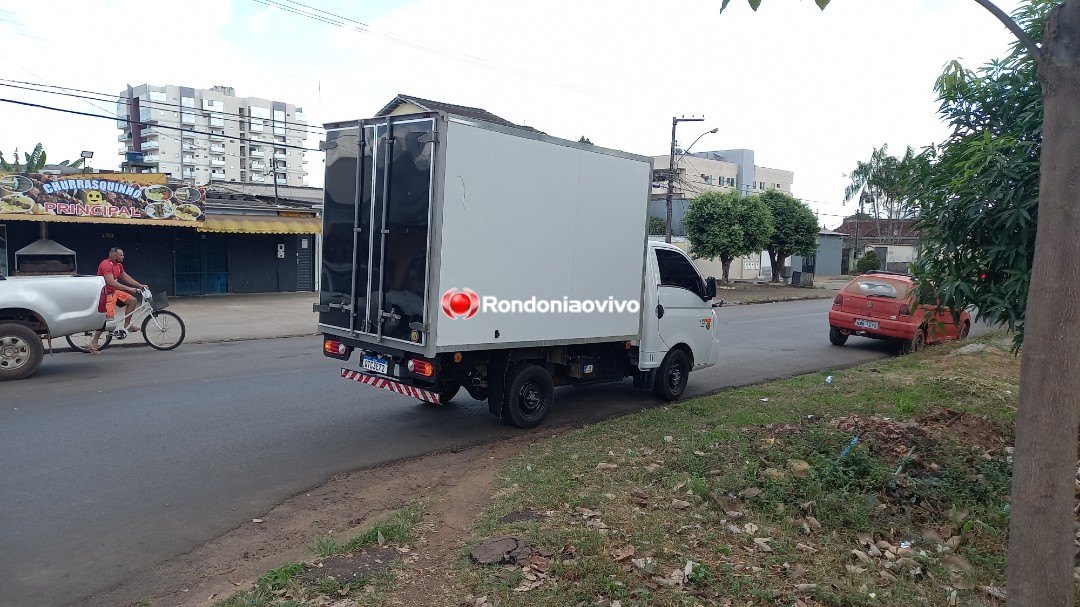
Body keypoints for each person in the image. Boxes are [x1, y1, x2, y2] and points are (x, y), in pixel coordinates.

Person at [89, 247, 148, 354]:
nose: (123, 257)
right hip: (106, 294)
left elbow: (126, 277)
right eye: (121, 255)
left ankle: (127, 325)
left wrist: (140, 285)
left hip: (114, 292)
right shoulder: (106, 264)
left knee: (132, 301)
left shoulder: (119, 265)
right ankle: (94, 342)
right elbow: (111, 282)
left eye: (123, 255)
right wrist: (129, 288)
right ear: (113, 255)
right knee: (108, 320)